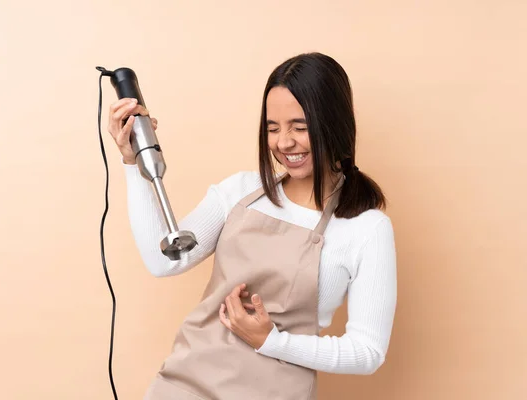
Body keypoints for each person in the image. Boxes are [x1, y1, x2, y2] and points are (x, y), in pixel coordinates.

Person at [107, 52, 397, 400]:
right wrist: (132, 161)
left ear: (334, 123)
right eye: (272, 128)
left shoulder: (365, 229)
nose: (283, 142)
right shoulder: (240, 192)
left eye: (300, 127)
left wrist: (272, 342)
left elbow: (368, 352)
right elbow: (165, 260)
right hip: (184, 386)